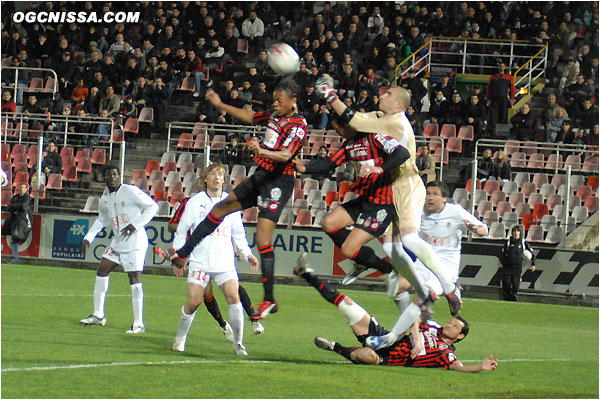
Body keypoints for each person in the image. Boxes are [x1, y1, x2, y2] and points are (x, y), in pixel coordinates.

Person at [315, 76, 462, 331]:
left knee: (409, 240)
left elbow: (355, 120)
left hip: (406, 182)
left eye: (388, 94)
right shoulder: (383, 117)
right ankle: (423, 298)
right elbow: (354, 121)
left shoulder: (396, 121)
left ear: (399, 104)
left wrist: (329, 94)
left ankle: (449, 287)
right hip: (390, 187)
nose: (382, 95)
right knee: (394, 251)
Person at [171, 80, 307, 318]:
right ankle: (184, 252)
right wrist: (221, 103)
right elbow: (251, 116)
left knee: (263, 236)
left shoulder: (299, 125)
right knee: (219, 209)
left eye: (279, 100)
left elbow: (286, 154)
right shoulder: (275, 115)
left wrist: (260, 150)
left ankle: (269, 299)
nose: (274, 103)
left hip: (279, 180)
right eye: (274, 99)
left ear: (293, 100)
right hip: (262, 175)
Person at [293, 254, 498, 372]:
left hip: (385, 359)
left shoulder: (445, 353)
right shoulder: (434, 328)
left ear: (459, 336)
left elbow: (459, 368)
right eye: (452, 321)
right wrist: (417, 337)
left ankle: (336, 347)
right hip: (382, 337)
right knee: (346, 303)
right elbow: (414, 318)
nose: (449, 325)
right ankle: (307, 274)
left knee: (366, 356)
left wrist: (480, 367)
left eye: (455, 326)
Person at [293, 119, 411, 290]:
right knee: (328, 223)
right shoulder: (349, 145)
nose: (338, 132)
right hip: (364, 200)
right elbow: (329, 163)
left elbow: (402, 154)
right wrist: (305, 168)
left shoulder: (376, 138)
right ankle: (361, 261)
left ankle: (388, 270)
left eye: (339, 127)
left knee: (349, 250)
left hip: (382, 204)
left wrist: (381, 168)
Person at [169, 163, 259, 355]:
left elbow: (238, 232)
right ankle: (180, 338)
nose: (217, 177)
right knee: (193, 302)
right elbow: (182, 229)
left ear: (224, 179)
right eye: (213, 174)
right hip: (199, 260)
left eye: (220, 174)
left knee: (234, 298)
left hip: (224, 261)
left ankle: (238, 343)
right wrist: (179, 256)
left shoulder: (230, 202)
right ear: (206, 179)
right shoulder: (195, 201)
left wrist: (247, 253)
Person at [387, 181, 488, 322]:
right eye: (428, 193)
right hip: (422, 263)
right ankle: (412, 321)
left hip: (445, 266)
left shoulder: (455, 211)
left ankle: (420, 324)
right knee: (396, 287)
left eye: (435, 194)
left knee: (422, 296)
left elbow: (484, 229)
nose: (430, 197)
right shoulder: (418, 211)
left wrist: (477, 229)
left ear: (444, 199)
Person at [79, 165, 159, 333]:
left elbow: (152, 206)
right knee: (102, 269)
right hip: (118, 241)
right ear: (104, 178)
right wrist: (88, 237)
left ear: (119, 176)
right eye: (109, 174)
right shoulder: (105, 197)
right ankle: (98, 314)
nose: (112, 177)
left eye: (115, 174)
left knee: (134, 279)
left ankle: (138, 323)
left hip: (135, 242)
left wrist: (135, 224)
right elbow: (102, 219)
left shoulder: (129, 191)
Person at [501, 225, 536, 302]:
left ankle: (514, 299)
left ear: (520, 233)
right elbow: (503, 254)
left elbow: (532, 254)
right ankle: (506, 300)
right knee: (506, 284)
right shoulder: (508, 242)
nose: (516, 233)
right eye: (514, 231)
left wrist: (533, 264)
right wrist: (504, 263)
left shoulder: (523, 243)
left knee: (515, 285)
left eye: (517, 231)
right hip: (508, 267)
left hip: (517, 268)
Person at [2, 182, 33, 264]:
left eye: (23, 187)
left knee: (16, 237)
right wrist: (15, 207)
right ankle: (14, 258)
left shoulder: (28, 198)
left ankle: (15, 258)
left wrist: (14, 207)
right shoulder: (16, 197)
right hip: (14, 220)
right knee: (14, 239)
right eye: (20, 187)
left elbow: (23, 206)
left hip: (23, 222)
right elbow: (10, 205)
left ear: (26, 189)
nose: (21, 189)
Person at [487, 62, 516, 134]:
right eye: (500, 66)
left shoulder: (509, 77)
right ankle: (492, 132)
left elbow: (512, 88)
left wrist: (512, 98)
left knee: (503, 115)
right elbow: (489, 89)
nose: (501, 68)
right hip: (494, 99)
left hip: (504, 99)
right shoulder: (493, 77)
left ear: (505, 67)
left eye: (503, 66)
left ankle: (502, 133)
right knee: (493, 116)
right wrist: (488, 99)